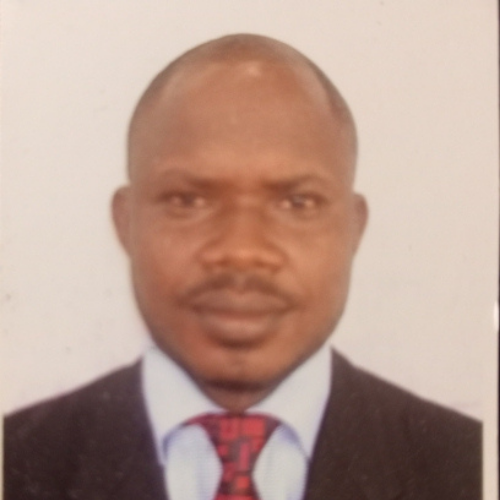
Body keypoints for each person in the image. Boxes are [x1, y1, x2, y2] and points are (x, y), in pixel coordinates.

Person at [4, 34, 481, 500]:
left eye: (297, 203)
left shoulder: (472, 468)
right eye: (187, 200)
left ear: (354, 230)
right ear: (125, 223)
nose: (241, 250)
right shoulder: (16, 462)